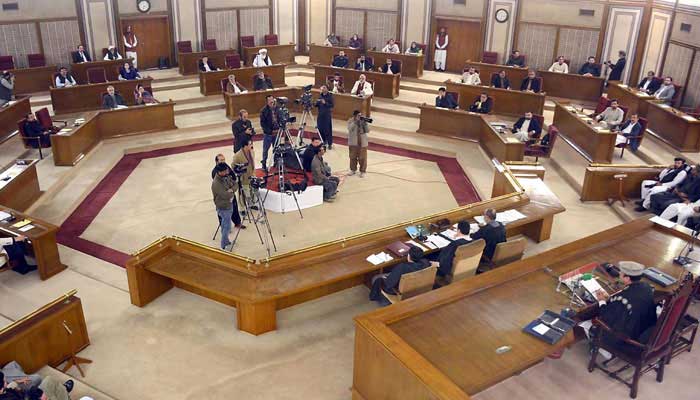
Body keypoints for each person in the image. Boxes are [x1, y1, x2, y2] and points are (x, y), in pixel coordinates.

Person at [595, 261, 657, 350]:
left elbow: (606, 317)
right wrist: (611, 299)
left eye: (621, 273)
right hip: (645, 331)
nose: (619, 273)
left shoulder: (623, 298)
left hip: (629, 339)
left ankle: (602, 350)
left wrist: (601, 301)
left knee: (591, 325)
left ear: (627, 278)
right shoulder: (647, 287)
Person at [211, 154, 244, 230]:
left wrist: (232, 189)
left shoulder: (227, 167)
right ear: (216, 161)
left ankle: (237, 223)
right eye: (221, 160)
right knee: (222, 213)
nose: (223, 161)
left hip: (231, 192)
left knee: (235, 208)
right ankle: (224, 227)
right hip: (222, 197)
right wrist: (230, 188)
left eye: (224, 160)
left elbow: (233, 177)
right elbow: (220, 186)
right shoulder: (215, 172)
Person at [212, 162, 238, 250]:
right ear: (220, 172)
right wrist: (231, 193)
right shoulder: (216, 183)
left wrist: (231, 190)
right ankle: (224, 245)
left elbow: (235, 184)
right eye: (225, 171)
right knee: (226, 226)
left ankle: (226, 241)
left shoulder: (226, 176)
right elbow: (224, 195)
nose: (227, 172)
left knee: (224, 225)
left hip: (229, 204)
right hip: (223, 207)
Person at [233, 138, 256, 206]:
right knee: (243, 194)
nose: (251, 145)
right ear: (245, 146)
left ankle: (252, 205)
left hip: (251, 175)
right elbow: (233, 166)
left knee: (252, 191)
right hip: (243, 178)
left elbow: (253, 162)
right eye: (250, 144)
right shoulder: (237, 155)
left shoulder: (252, 152)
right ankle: (242, 208)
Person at [259, 95, 279, 170]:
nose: (271, 101)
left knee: (276, 148)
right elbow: (262, 123)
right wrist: (269, 131)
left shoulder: (277, 108)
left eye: (272, 99)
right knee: (265, 150)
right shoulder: (264, 111)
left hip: (277, 132)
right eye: (270, 100)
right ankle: (264, 163)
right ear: (267, 102)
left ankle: (276, 162)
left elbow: (279, 118)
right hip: (268, 134)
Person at [348, 110, 369, 177]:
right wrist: (355, 122)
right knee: (352, 157)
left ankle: (362, 171)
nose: (360, 117)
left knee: (363, 158)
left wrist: (365, 123)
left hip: (362, 142)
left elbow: (367, 130)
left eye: (360, 115)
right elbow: (350, 129)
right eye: (358, 115)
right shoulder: (350, 121)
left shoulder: (363, 121)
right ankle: (353, 170)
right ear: (354, 116)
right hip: (353, 143)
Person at [316, 85, 334, 149]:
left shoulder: (330, 96)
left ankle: (329, 143)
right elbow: (317, 105)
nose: (322, 89)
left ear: (327, 89)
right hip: (320, 115)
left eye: (324, 88)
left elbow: (332, 105)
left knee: (327, 129)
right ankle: (322, 141)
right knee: (320, 128)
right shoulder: (320, 95)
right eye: (322, 87)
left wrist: (325, 103)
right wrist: (317, 102)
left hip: (326, 115)